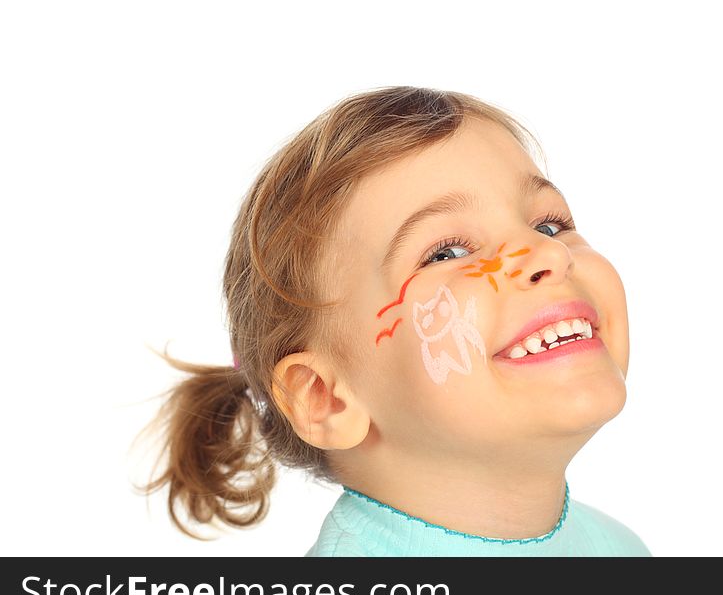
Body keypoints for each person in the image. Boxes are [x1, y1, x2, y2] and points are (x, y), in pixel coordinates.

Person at [136, 85, 651, 557]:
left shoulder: (619, 549)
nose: (547, 254)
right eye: (446, 251)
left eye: (549, 223)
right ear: (325, 397)